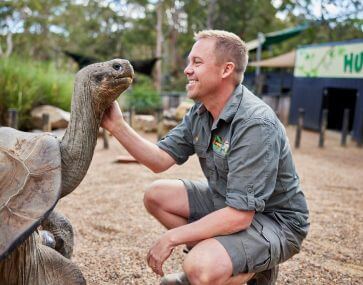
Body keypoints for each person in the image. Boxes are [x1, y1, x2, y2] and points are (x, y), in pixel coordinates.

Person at [101, 30, 309, 285]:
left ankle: (244, 268)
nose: (187, 70)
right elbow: (159, 160)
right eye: (189, 62)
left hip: (274, 219)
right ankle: (232, 260)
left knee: (199, 268)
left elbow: (240, 216)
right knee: (156, 196)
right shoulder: (201, 112)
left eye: (197, 62)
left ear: (226, 70)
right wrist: (117, 126)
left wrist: (172, 237)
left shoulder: (255, 123)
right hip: (229, 202)